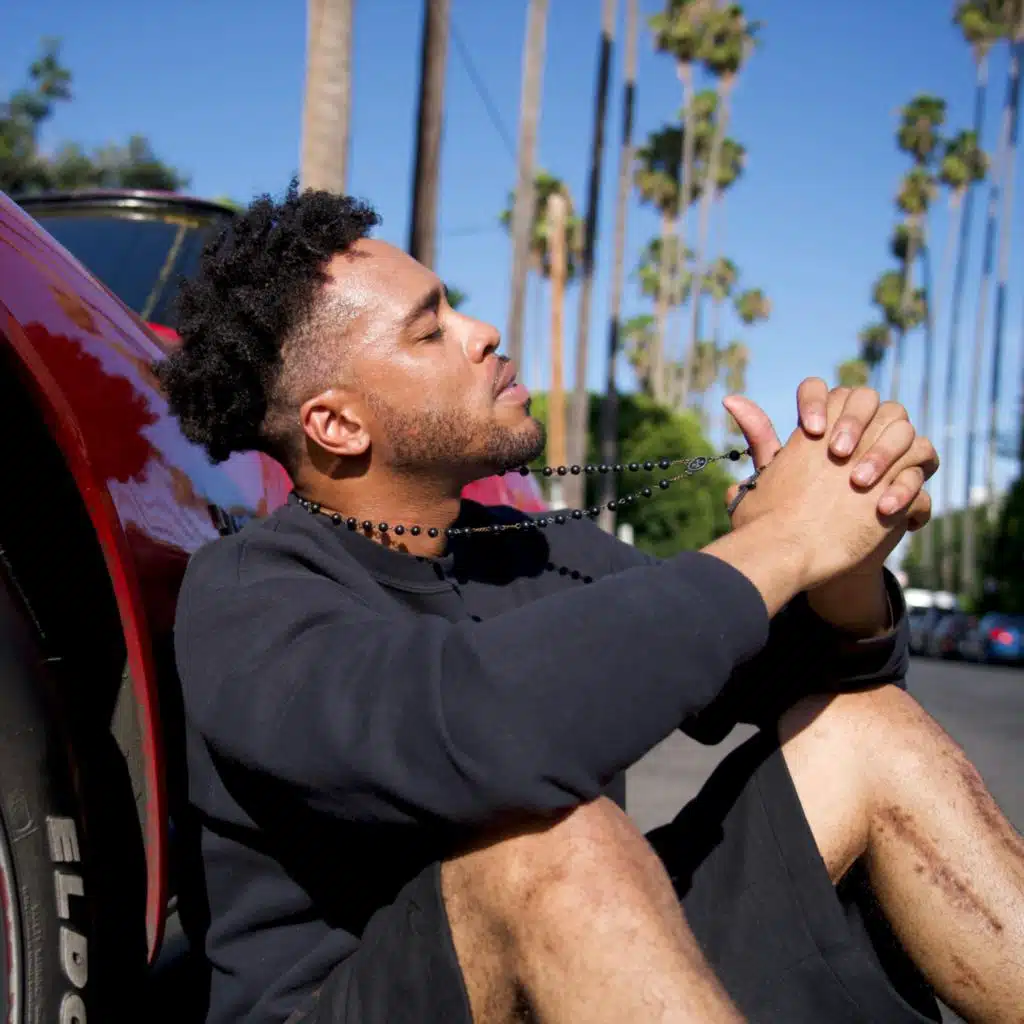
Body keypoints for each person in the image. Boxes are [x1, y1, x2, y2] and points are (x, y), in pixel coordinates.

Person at [157, 185, 1024, 1024]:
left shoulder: (536, 550)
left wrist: (842, 557)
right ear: (338, 425)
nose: (483, 333)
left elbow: (811, 675)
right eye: (430, 329)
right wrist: (784, 541)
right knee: (549, 838)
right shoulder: (250, 596)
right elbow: (484, 734)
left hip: (596, 968)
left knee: (866, 730)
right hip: (362, 1001)